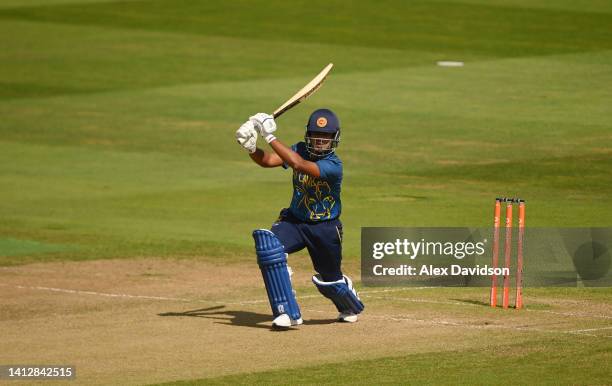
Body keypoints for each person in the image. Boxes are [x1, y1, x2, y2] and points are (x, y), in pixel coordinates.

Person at [235, 108, 364, 328]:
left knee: (329, 281)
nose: (320, 141)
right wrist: (251, 148)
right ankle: (287, 312)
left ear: (335, 138)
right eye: (316, 135)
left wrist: (269, 136)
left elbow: (298, 165)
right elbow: (268, 161)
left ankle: (347, 301)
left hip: (325, 228)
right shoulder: (300, 149)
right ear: (308, 135)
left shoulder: (334, 165)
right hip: (295, 221)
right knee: (269, 248)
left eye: (326, 137)